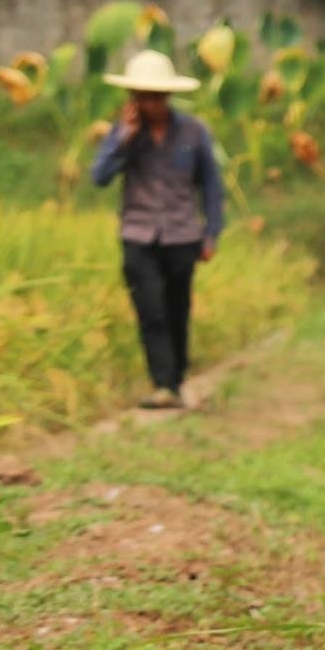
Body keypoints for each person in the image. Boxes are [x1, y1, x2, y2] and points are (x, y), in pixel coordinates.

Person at [88, 49, 225, 410]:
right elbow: (99, 177)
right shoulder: (123, 133)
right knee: (151, 310)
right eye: (141, 96)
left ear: (166, 96)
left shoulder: (193, 132)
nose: (148, 103)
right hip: (138, 235)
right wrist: (124, 139)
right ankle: (163, 383)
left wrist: (211, 233)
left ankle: (175, 378)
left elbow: (210, 185)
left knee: (177, 308)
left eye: (154, 96)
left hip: (182, 235)